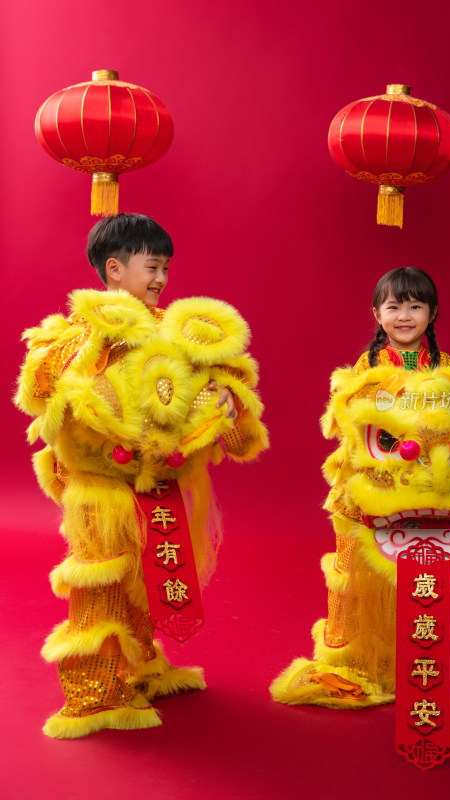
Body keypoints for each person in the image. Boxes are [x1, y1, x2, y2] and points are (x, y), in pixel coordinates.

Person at [16, 213, 268, 738]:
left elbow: (217, 390)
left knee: (146, 585)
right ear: (115, 268)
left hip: (159, 484)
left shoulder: (173, 330)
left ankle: (139, 669)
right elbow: (50, 393)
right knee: (103, 586)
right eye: (152, 267)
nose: (161, 279)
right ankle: (94, 694)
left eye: (165, 269)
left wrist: (225, 393)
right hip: (104, 489)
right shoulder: (77, 333)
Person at [270, 266, 450, 709]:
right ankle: (362, 659)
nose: (404, 316)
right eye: (394, 307)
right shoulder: (361, 375)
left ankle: (423, 661)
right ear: (377, 314)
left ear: (433, 313)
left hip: (434, 499)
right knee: (359, 579)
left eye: (415, 306)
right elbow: (349, 433)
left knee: (428, 578)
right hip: (372, 494)